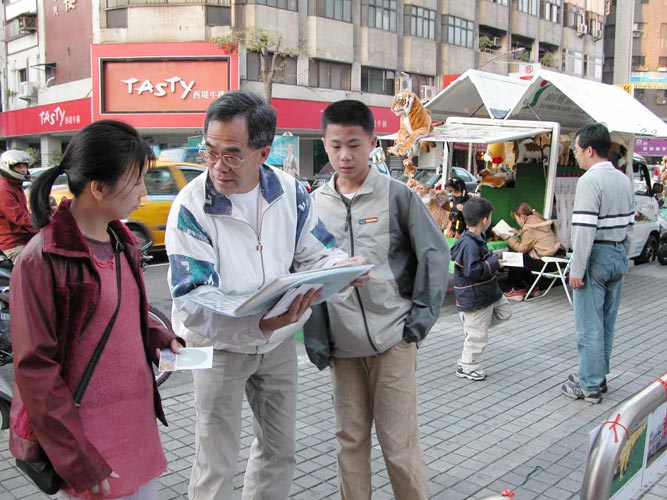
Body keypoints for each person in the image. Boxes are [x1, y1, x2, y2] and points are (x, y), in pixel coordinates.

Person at [164, 90, 356, 500]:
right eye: (210, 151)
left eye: (232, 154)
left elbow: (317, 250)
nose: (218, 166)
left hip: (278, 342)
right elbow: (192, 300)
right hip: (217, 346)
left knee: (279, 451)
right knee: (215, 460)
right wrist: (258, 322)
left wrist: (343, 267)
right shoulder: (191, 206)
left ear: (263, 153)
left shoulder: (289, 192)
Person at [10, 120, 183, 499]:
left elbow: (121, 313)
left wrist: (159, 337)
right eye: (136, 181)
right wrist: (76, 458)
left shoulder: (122, 242)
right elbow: (35, 370)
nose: (144, 192)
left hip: (136, 421)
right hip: (87, 436)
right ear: (99, 187)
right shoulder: (43, 258)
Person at [306, 100, 449, 500]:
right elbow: (305, 270)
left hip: (393, 339)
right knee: (349, 441)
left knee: (398, 443)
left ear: (371, 143)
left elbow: (435, 255)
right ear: (324, 143)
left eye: (354, 144)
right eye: (336, 145)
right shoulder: (313, 205)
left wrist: (418, 323)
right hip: (342, 347)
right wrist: (317, 337)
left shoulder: (397, 196)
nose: (344, 156)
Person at [561, 123, 634, 404]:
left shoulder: (590, 181)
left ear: (590, 150)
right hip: (617, 253)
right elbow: (629, 225)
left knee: (589, 325)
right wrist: (623, 255)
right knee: (606, 323)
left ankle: (589, 385)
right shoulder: (623, 179)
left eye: (577, 150)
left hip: (595, 255)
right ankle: (598, 376)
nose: (576, 156)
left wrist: (577, 269)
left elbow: (584, 229)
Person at [451, 197, 512, 382]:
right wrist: (494, 263)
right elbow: (472, 271)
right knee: (478, 336)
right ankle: (467, 366)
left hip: (488, 293)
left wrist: (495, 261)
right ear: (484, 219)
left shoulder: (477, 239)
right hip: (476, 297)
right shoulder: (469, 243)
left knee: (504, 312)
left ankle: (473, 327)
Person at [498, 202, 565, 301]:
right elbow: (535, 238)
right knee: (526, 257)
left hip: (547, 263)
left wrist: (508, 238)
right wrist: (519, 233)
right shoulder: (538, 221)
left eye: (516, 218)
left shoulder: (529, 226)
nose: (517, 221)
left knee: (517, 257)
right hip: (557, 260)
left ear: (522, 216)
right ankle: (533, 287)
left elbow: (521, 248)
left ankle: (516, 289)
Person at [0, 149, 38, 263]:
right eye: (18, 167)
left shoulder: (16, 185)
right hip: (13, 241)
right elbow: (18, 217)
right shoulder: (4, 189)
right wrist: (41, 221)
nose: (23, 170)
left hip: (25, 236)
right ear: (8, 167)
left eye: (24, 166)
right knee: (32, 265)